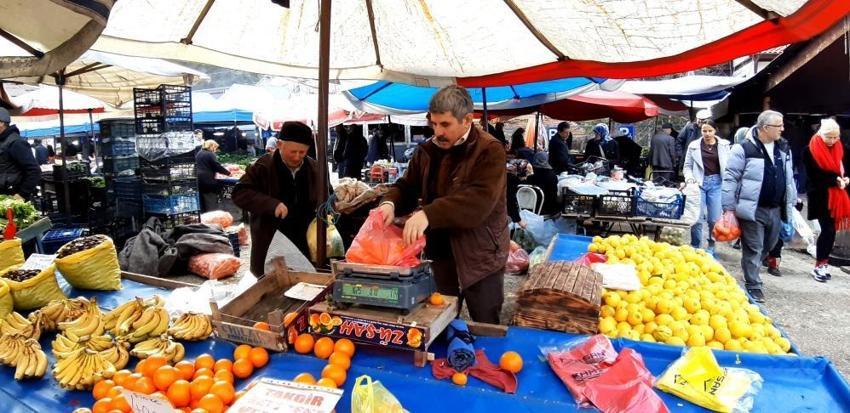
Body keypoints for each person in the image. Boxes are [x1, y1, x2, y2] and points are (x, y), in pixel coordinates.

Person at [377, 85, 509, 324]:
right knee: (441, 319)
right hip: (441, 252)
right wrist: (389, 203)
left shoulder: (490, 150)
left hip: (481, 253)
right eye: (434, 124)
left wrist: (428, 214)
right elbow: (407, 186)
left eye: (445, 125)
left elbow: (478, 201)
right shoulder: (427, 150)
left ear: (467, 119)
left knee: (485, 322)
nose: (437, 132)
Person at [722, 110, 796, 303]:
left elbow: (789, 179)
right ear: (765, 128)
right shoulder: (744, 149)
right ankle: (753, 285)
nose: (782, 128)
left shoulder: (784, 149)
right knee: (754, 247)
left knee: (770, 245)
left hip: (776, 208)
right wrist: (728, 207)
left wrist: (793, 200)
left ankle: (751, 268)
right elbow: (730, 178)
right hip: (752, 209)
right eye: (778, 125)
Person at [233, 121, 325, 276]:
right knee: (270, 282)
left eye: (302, 152)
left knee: (305, 279)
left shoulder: (315, 168)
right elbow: (240, 193)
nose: (297, 157)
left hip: (304, 236)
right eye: (293, 152)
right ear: (280, 145)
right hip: (270, 235)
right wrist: (271, 205)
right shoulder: (262, 166)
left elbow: (326, 194)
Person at [802, 118, 850, 282]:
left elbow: (847, 167)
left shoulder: (841, 148)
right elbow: (814, 175)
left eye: (835, 137)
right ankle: (819, 265)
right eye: (829, 137)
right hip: (820, 195)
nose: (832, 140)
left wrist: (846, 178)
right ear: (820, 134)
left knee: (832, 231)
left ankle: (823, 263)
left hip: (838, 195)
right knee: (828, 229)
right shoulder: (809, 150)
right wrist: (835, 179)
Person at [683, 120, 731, 256]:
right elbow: (687, 166)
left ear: (715, 130)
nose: (707, 134)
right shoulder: (694, 146)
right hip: (698, 183)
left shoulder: (724, 145)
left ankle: (711, 245)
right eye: (704, 131)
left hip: (717, 183)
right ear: (701, 131)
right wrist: (689, 178)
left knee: (714, 218)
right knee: (696, 218)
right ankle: (695, 246)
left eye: (710, 131)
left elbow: (730, 166)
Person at [0, 108, 39, 200]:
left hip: (13, 196)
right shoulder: (2, 141)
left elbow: (34, 170)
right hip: (3, 196)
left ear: (1, 123)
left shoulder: (16, 142)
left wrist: (22, 194)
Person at [195, 140, 231, 212]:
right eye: (215, 147)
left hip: (198, 180)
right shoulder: (210, 154)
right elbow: (217, 166)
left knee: (203, 202)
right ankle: (213, 219)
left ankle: (205, 219)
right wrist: (228, 173)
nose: (215, 149)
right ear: (211, 146)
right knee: (211, 201)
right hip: (207, 180)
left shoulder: (199, 153)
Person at [526, 151, 560, 216]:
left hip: (529, 207)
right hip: (547, 209)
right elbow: (553, 195)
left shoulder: (530, 174)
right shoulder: (552, 175)